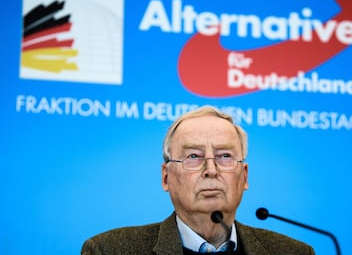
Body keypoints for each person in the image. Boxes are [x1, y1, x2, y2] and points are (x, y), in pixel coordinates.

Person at [81, 105, 315, 254]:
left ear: (244, 177)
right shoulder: (108, 250)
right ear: (166, 178)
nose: (211, 170)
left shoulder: (294, 252)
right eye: (194, 156)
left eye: (225, 156)